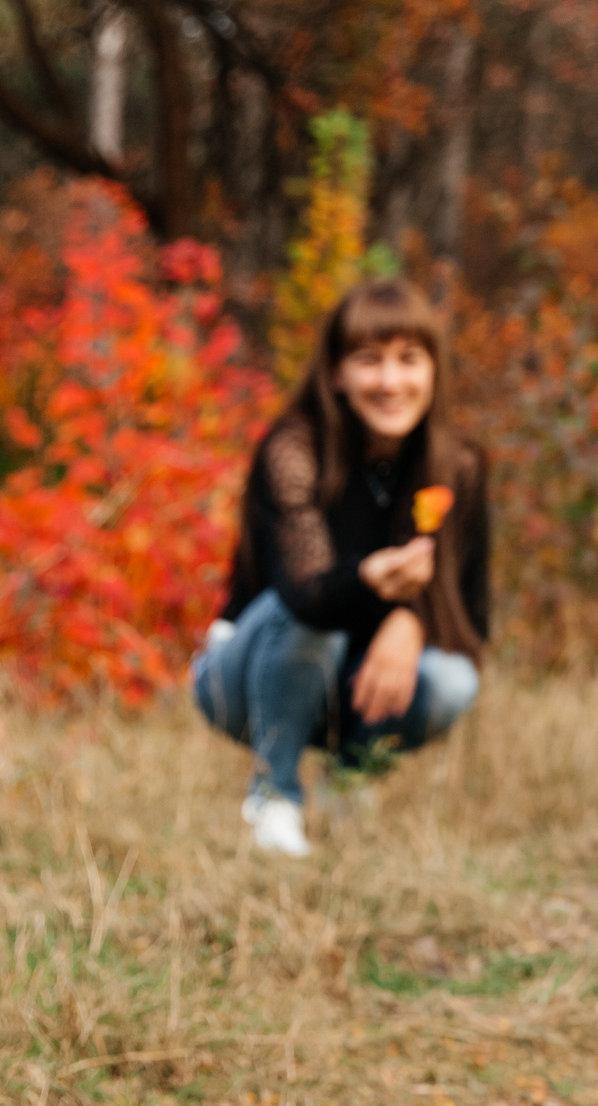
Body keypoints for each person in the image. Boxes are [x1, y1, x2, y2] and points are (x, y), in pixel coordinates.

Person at [193, 278, 491, 856]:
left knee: (453, 681)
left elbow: (475, 619)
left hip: (352, 687)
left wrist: (411, 622)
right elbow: (303, 597)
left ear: (433, 371)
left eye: (409, 360)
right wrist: (369, 582)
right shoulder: (292, 449)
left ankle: (348, 780)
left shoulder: (458, 465)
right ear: (336, 373)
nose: (390, 381)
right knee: (315, 625)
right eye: (368, 360)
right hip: (241, 679)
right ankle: (273, 798)